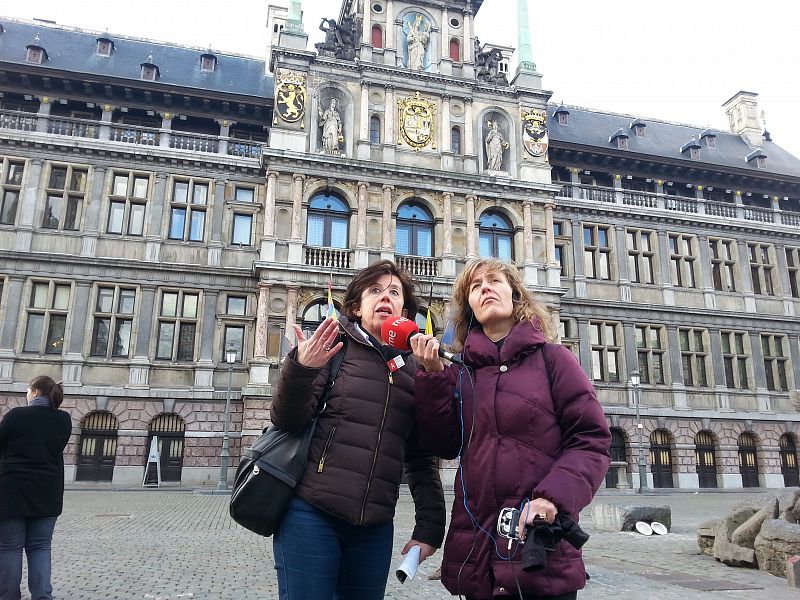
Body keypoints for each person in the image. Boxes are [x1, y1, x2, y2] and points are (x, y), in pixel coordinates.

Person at [410, 258, 611, 600]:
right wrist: (431, 378)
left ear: (516, 295)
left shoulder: (553, 359)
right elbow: (442, 444)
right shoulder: (461, 372)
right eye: (475, 287)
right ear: (470, 306)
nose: (484, 288)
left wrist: (551, 498)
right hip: (477, 554)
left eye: (493, 281)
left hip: (538, 546)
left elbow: (591, 440)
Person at [270, 259, 446, 600]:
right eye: (375, 290)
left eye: (394, 292)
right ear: (356, 306)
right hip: (311, 515)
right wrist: (301, 368)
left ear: (404, 313)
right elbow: (287, 421)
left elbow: (422, 459)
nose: (386, 297)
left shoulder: (415, 370)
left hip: (375, 528)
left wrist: (430, 527)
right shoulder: (334, 349)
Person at [0, 376, 72, 600]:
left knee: (10, 549)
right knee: (40, 547)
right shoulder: (63, 420)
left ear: (33, 392)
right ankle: (42, 596)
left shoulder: (15, 416)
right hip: (47, 493)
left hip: (12, 493)